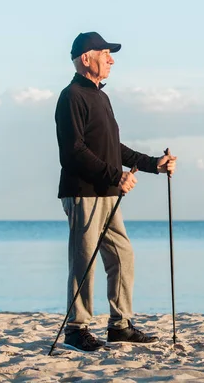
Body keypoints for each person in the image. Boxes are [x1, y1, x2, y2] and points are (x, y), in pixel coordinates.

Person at [54, 31, 177, 352]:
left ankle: (119, 325)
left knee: (122, 256)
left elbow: (112, 148)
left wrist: (154, 164)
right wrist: (115, 175)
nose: (111, 60)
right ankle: (76, 329)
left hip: (107, 194)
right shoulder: (71, 96)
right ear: (86, 58)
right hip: (83, 193)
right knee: (84, 261)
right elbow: (73, 152)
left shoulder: (100, 97)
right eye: (105, 53)